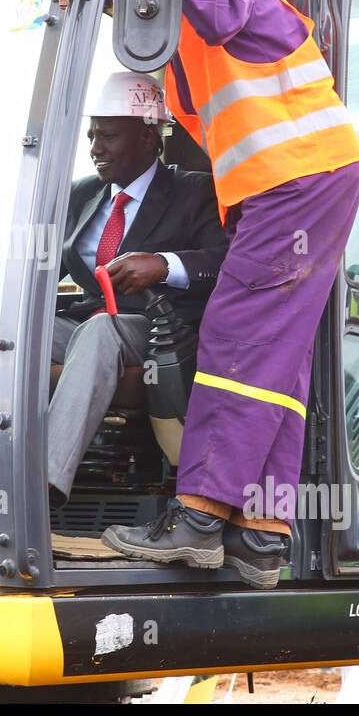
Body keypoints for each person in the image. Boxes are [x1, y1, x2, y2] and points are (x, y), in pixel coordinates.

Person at [101, 0, 359, 588]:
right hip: (296, 187)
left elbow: (215, 11)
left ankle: (196, 518)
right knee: (279, 359)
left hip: (297, 181)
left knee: (237, 336)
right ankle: (260, 533)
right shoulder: (181, 64)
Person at [49, 71, 226, 506]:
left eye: (108, 136)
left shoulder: (195, 191)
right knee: (9, 337)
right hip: (91, 318)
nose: (95, 149)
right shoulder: (82, 194)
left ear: (148, 138)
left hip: (158, 330)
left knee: (99, 333)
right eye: (91, 136)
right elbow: (44, 269)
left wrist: (163, 265)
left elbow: (226, 261)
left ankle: (39, 487)